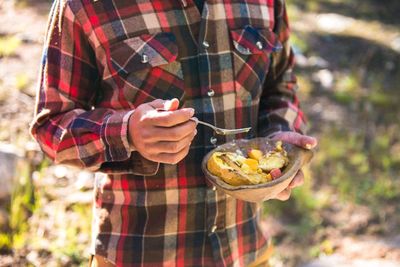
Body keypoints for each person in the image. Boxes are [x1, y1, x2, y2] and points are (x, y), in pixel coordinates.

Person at [30, 0, 317, 266]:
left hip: (244, 249)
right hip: (139, 254)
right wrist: (127, 131)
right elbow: (51, 128)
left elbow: (280, 86)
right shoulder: (82, 6)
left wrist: (280, 140)